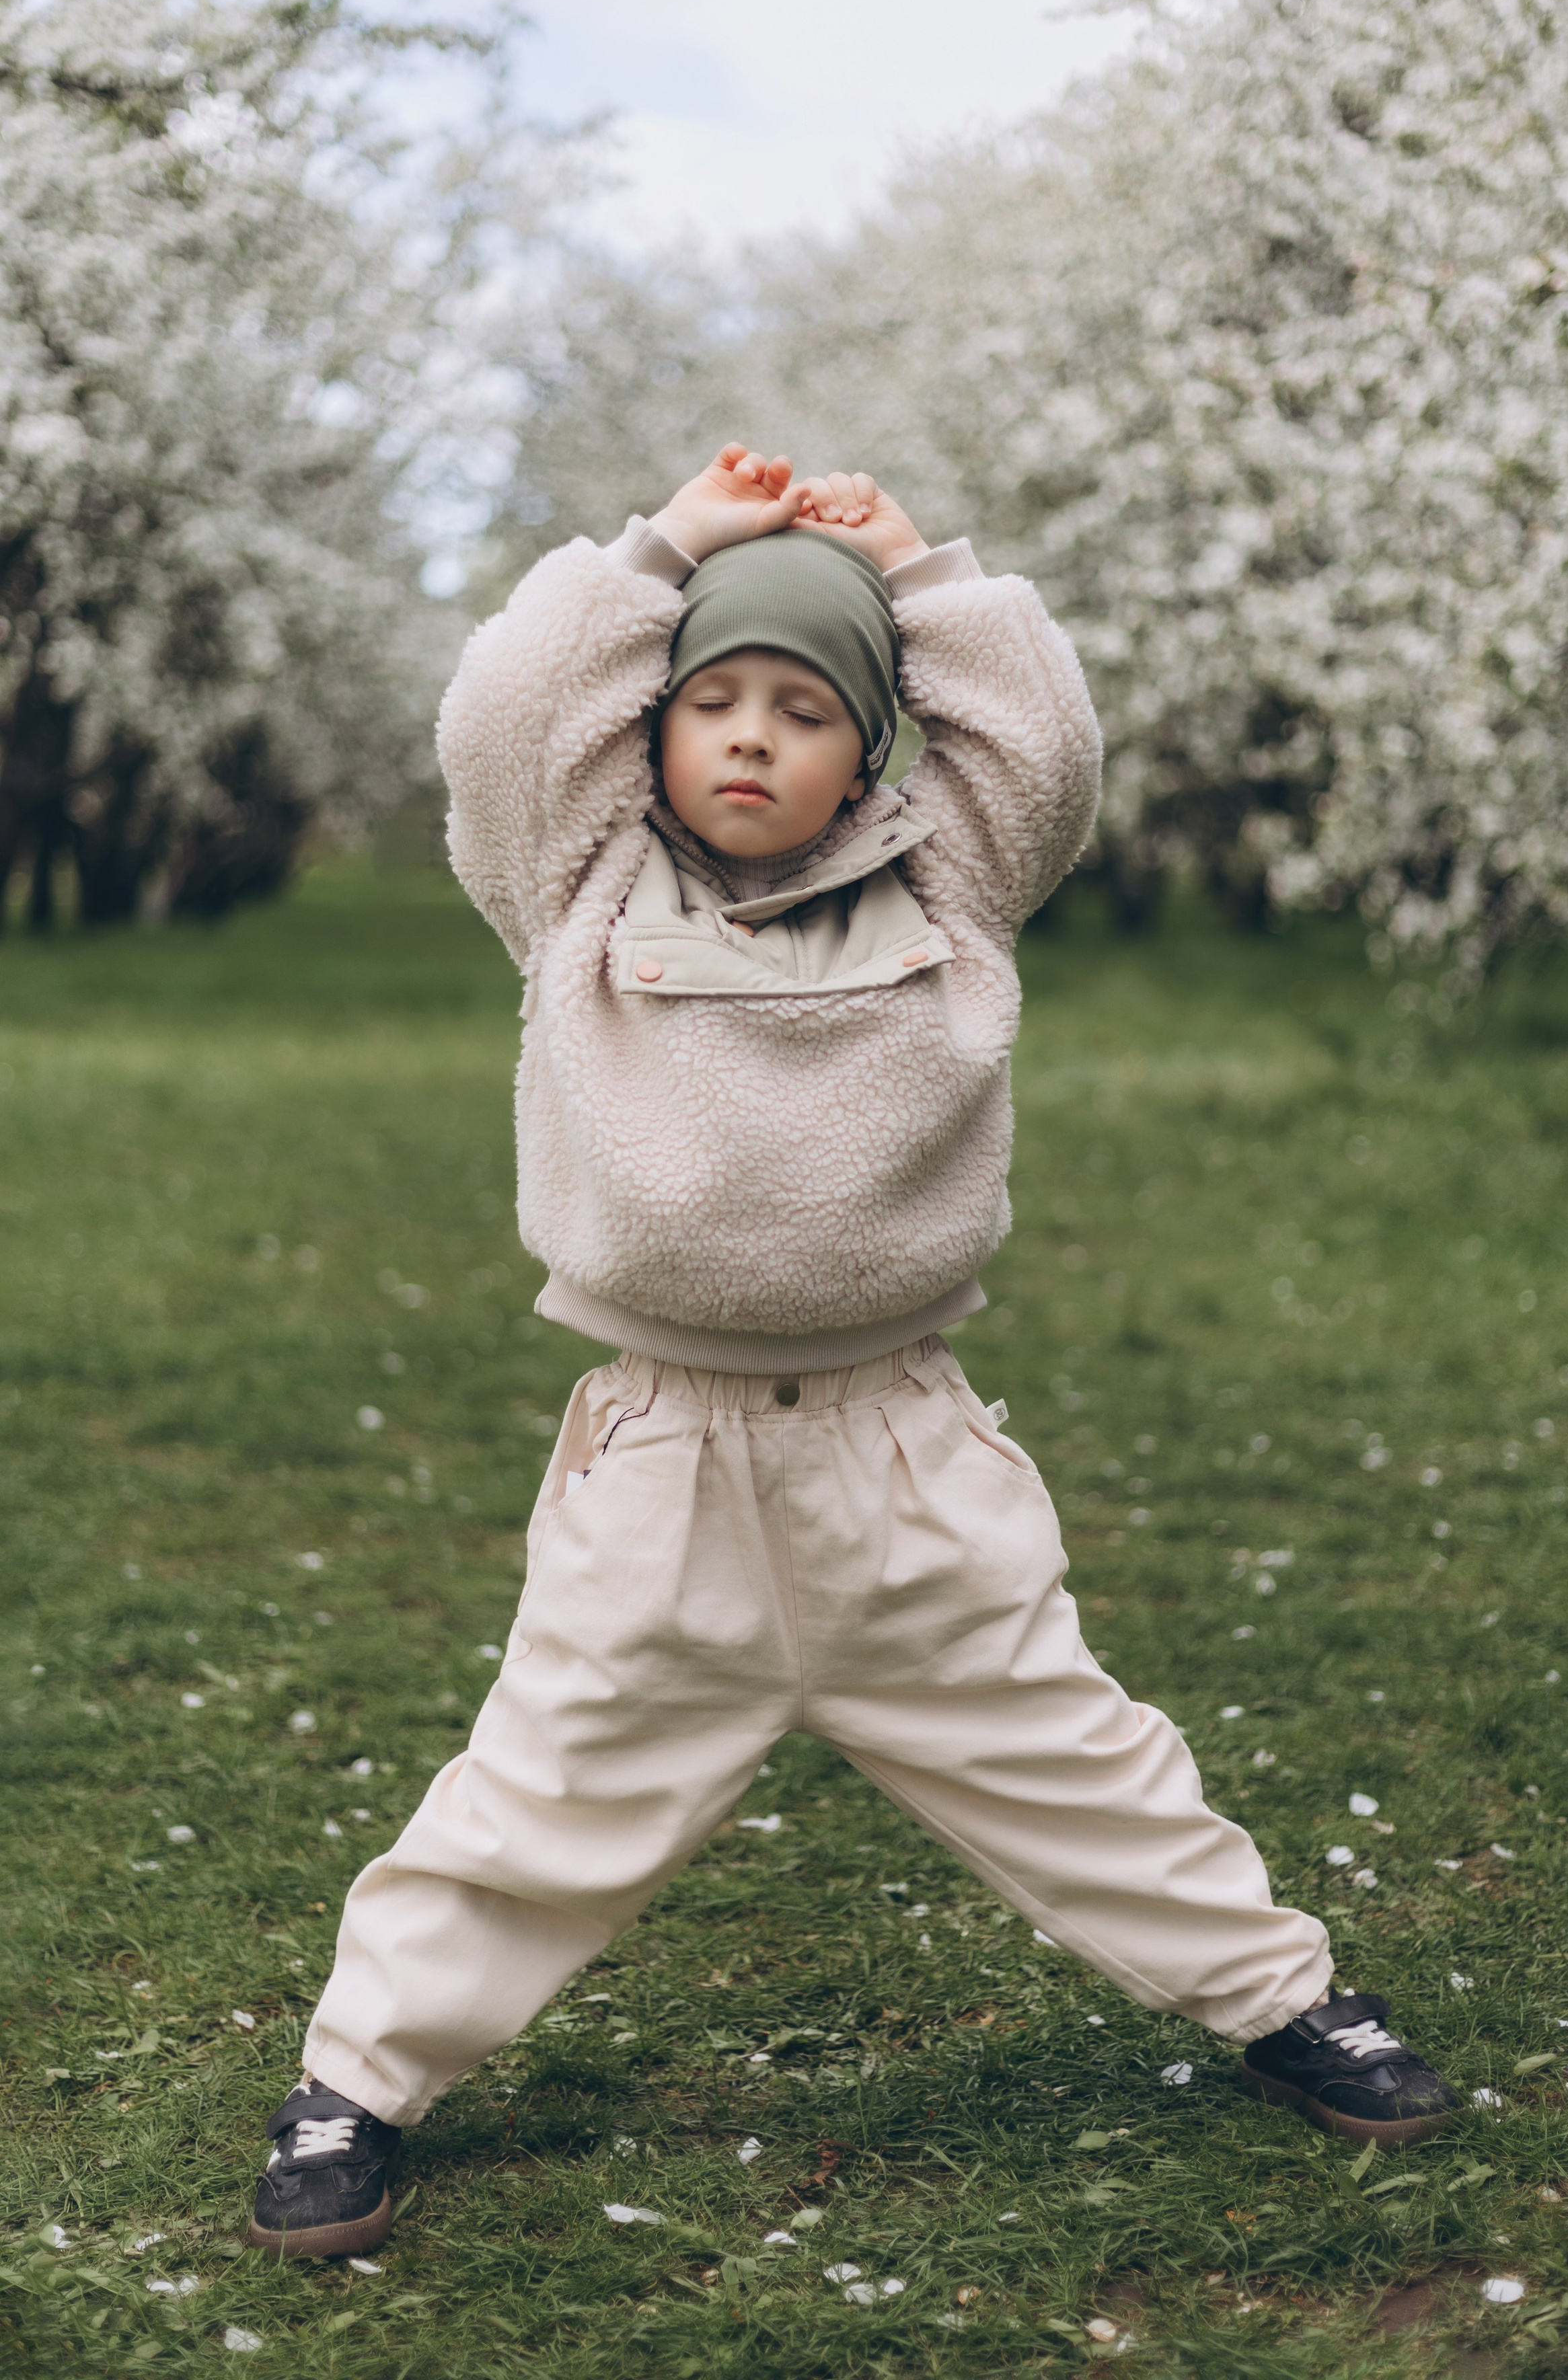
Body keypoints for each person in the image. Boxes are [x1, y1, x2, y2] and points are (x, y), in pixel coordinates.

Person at [244, 445, 1459, 2258]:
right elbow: (504, 718)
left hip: (901, 1459)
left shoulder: (952, 887)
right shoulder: (572, 893)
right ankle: (356, 2082)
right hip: (664, 1466)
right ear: (652, 729)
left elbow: (1043, 752)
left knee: (1073, 1756)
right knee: (539, 1793)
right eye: (711, 701)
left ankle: (1286, 2002)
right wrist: (665, 549)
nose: (748, 738)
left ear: (873, 749)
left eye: (805, 709)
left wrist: (924, 572)